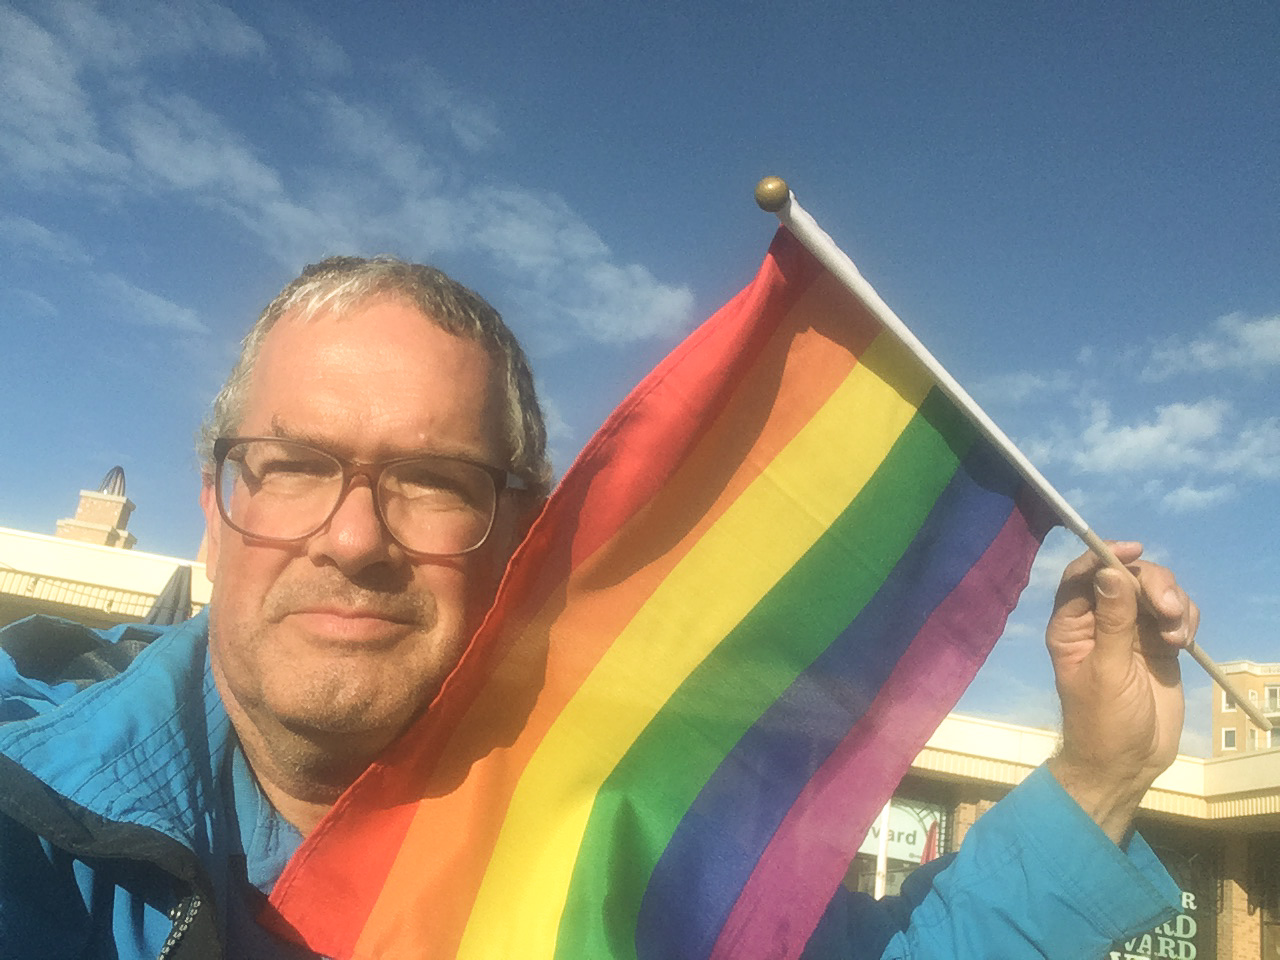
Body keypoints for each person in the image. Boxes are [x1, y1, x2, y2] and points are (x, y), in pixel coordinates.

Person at [0, 256, 1197, 959]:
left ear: (519, 541)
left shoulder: (609, 816)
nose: (353, 538)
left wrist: (1097, 778)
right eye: (297, 465)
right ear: (216, 507)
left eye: (432, 481)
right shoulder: (28, 815)